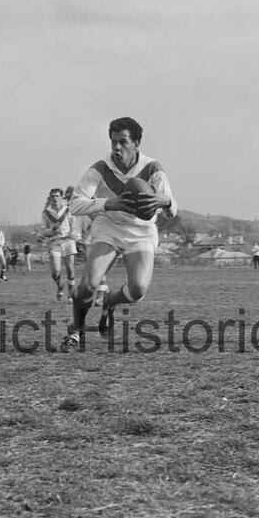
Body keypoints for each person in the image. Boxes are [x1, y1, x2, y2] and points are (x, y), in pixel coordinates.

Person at [61, 116, 177, 351]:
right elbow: (75, 204)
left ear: (136, 144)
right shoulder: (100, 168)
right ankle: (76, 331)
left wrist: (165, 202)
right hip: (109, 226)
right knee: (88, 285)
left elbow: (170, 211)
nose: (116, 147)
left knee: (138, 290)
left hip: (141, 231)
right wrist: (107, 203)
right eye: (113, 142)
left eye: (123, 142)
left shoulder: (153, 168)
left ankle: (109, 302)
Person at [40, 187, 78, 301]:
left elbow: (74, 225)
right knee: (56, 271)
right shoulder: (46, 213)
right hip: (54, 242)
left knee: (70, 269)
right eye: (53, 196)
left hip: (67, 241)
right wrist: (51, 230)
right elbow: (43, 231)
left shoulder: (68, 210)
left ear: (61, 198)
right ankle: (60, 286)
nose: (55, 198)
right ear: (50, 198)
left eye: (57, 196)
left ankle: (70, 294)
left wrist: (73, 234)